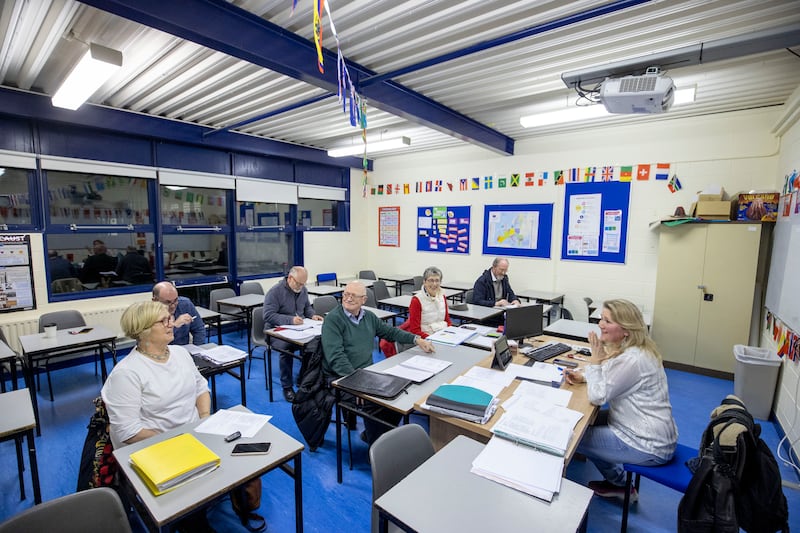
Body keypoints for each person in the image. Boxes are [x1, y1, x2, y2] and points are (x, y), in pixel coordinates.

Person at [102, 301, 264, 532]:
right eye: (164, 320)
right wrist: (179, 439)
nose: (172, 323)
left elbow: (201, 388)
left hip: (193, 435)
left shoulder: (180, 353)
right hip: (155, 447)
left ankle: (224, 502)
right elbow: (128, 432)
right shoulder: (127, 373)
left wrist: (205, 418)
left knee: (244, 459)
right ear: (144, 330)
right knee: (192, 508)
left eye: (170, 318)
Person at [564, 299, 678, 500]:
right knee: (580, 418)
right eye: (601, 318)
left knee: (574, 436)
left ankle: (621, 485)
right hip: (644, 428)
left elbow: (598, 396)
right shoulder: (634, 349)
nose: (600, 324)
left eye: (607, 321)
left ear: (626, 329)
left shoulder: (633, 359)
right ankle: (618, 482)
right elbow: (611, 375)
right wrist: (586, 375)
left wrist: (595, 361)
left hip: (646, 443)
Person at [322, 281, 435, 445]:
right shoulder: (333, 320)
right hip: (341, 377)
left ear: (364, 300)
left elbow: (390, 332)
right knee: (375, 403)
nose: (348, 298)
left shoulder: (368, 317)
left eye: (354, 296)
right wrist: (356, 384)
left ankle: (376, 436)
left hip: (366, 372)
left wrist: (416, 339)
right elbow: (336, 358)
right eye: (346, 294)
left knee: (398, 395)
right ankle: (376, 447)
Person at [262, 266, 323, 402]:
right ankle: (287, 386)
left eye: (303, 284)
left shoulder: (302, 290)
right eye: (299, 283)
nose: (301, 287)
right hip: (275, 332)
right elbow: (268, 315)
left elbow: (307, 308)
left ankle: (304, 378)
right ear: (290, 278)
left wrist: (312, 316)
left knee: (314, 344)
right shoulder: (275, 292)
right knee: (286, 348)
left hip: (299, 330)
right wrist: (290, 320)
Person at [380, 266, 451, 357]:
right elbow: (415, 330)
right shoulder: (416, 300)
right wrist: (433, 339)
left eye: (437, 280)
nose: (434, 284)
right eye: (431, 280)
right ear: (424, 282)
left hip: (442, 337)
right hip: (426, 340)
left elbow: (447, 321)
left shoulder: (442, 297)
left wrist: (450, 334)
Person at [152, 281, 206, 345]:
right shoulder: (148, 314)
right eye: (167, 302)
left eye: (175, 300)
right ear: (155, 300)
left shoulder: (185, 304)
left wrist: (197, 349)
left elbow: (199, 329)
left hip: (183, 350)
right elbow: (155, 342)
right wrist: (175, 325)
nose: (173, 306)